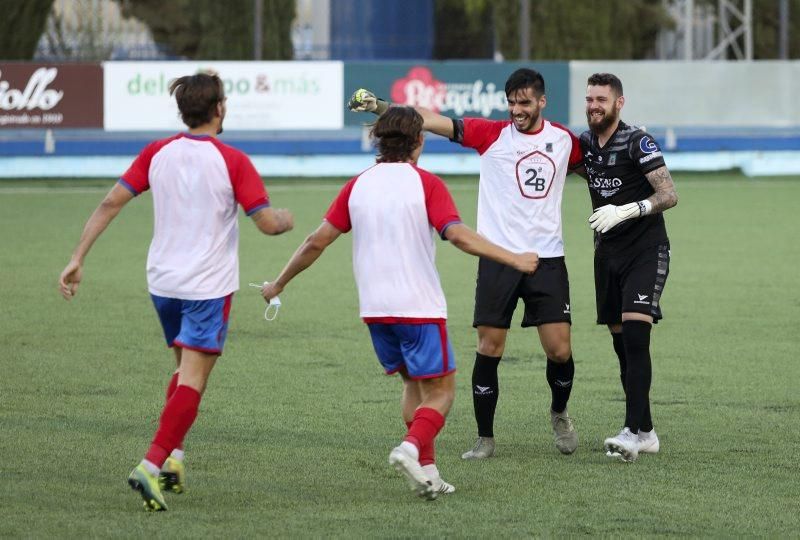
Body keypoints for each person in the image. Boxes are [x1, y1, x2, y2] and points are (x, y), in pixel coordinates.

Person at [259, 107, 538, 500]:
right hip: (418, 307)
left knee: (413, 383)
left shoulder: (357, 185)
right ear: (419, 141)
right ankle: (410, 447)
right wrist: (514, 258)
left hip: (375, 310)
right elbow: (456, 235)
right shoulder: (425, 183)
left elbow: (314, 242)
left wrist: (278, 284)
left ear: (379, 141)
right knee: (441, 392)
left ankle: (427, 472)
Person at [58, 72, 294, 510]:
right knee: (194, 379)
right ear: (219, 108)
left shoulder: (157, 152)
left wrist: (77, 257)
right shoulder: (232, 160)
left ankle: (174, 463)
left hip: (163, 282)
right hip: (207, 286)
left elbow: (111, 201)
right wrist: (284, 217)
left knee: (182, 370)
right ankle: (150, 465)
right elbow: (265, 223)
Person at [348, 68, 583, 460]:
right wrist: (383, 106)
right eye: (511, 103)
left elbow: (594, 167)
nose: (517, 110)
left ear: (542, 101)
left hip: (547, 258)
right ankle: (485, 438)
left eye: (524, 103)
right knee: (489, 347)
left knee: (559, 350)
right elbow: (426, 120)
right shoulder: (490, 135)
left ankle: (559, 412)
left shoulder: (564, 141)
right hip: (497, 258)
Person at [577, 73, 678, 462]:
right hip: (607, 254)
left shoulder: (638, 140)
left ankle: (632, 431)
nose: (593, 106)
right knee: (623, 348)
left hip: (645, 250)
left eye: (601, 99)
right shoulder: (584, 143)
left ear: (619, 103)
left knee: (636, 337)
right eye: (589, 99)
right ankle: (646, 430)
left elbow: (669, 194)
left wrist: (628, 209)